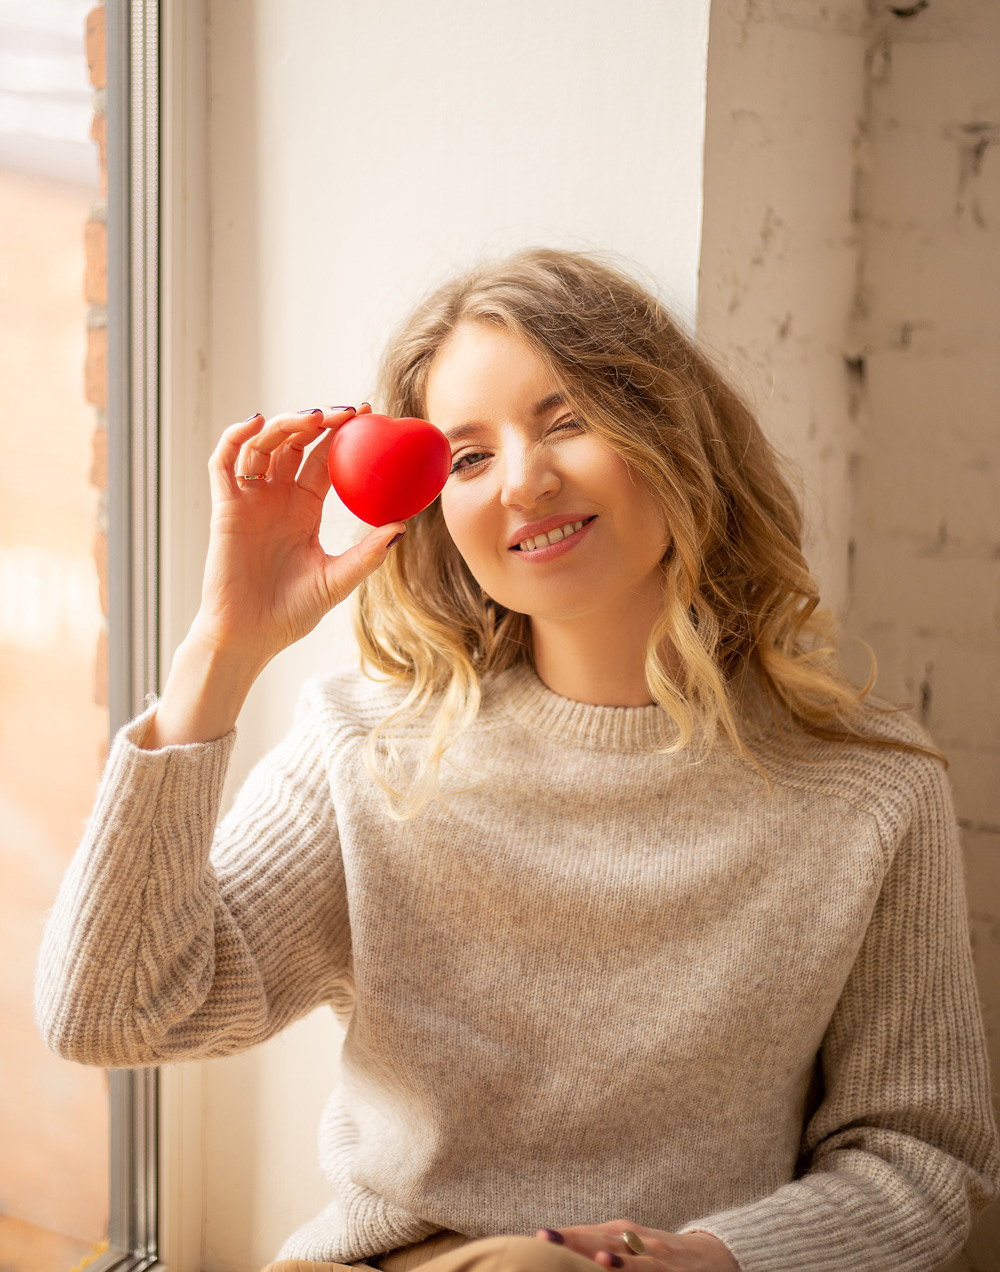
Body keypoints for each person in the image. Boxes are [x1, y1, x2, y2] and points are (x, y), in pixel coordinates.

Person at [36, 249, 999, 1272]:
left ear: (670, 433)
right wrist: (221, 651)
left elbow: (920, 1159)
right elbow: (111, 1011)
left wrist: (707, 1259)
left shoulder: (870, 788)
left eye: (566, 420)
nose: (525, 483)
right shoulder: (371, 750)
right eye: (467, 458)